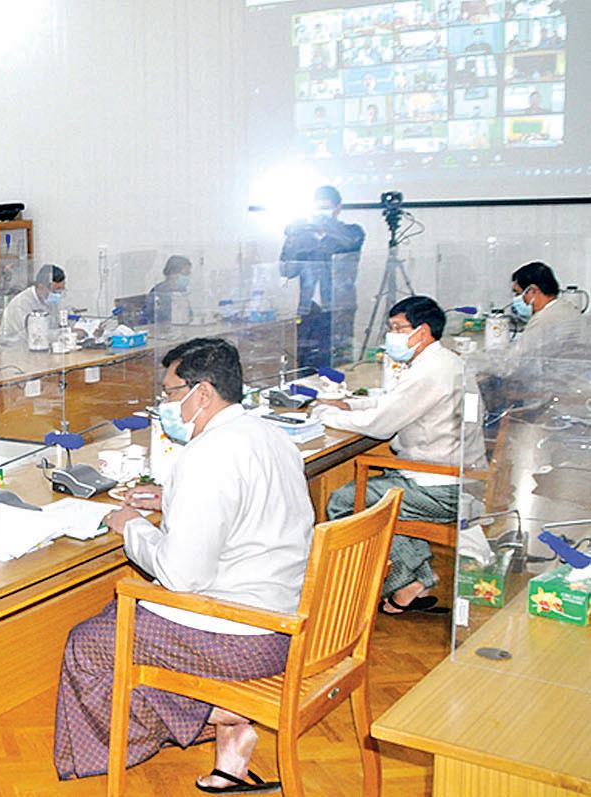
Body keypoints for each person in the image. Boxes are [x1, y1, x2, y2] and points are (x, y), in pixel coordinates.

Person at [55, 338, 313, 791]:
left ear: (203, 393)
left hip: (240, 638)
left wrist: (132, 526)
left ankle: (224, 711)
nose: (165, 405)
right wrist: (172, 498)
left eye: (171, 393)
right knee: (118, 626)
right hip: (283, 622)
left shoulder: (206, 456)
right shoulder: (271, 435)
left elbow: (180, 575)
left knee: (89, 645)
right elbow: (246, 507)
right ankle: (231, 748)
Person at [316, 296, 485, 615]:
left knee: (345, 501)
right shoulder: (443, 362)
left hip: (442, 488)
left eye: (397, 328)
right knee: (384, 489)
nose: (391, 336)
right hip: (452, 475)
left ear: (422, 331)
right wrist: (348, 405)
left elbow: (380, 425)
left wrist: (325, 416)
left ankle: (402, 582)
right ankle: (415, 579)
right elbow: (392, 403)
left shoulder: (430, 371)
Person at [280, 185, 366, 368]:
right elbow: (287, 270)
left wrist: (325, 226)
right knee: (306, 362)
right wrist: (294, 236)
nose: (320, 213)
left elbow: (349, 244)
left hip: (338, 307)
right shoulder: (304, 235)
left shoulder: (352, 232)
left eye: (325, 208)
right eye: (317, 208)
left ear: (338, 208)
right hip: (308, 308)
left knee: (338, 362)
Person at [508, 261, 587, 356]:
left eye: (518, 293)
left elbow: (514, 359)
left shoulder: (543, 320)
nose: (516, 299)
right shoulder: (568, 308)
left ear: (532, 290)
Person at [0, 264, 70, 348]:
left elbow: (59, 322)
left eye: (61, 290)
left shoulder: (49, 300)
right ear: (41, 287)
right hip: (15, 350)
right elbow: (34, 334)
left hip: (41, 347)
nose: (58, 294)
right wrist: (63, 333)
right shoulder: (21, 304)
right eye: (56, 290)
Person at [145, 255, 194, 324]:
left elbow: (189, 314)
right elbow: (150, 316)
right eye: (185, 273)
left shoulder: (182, 291)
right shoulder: (158, 292)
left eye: (189, 273)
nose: (188, 276)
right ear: (172, 273)